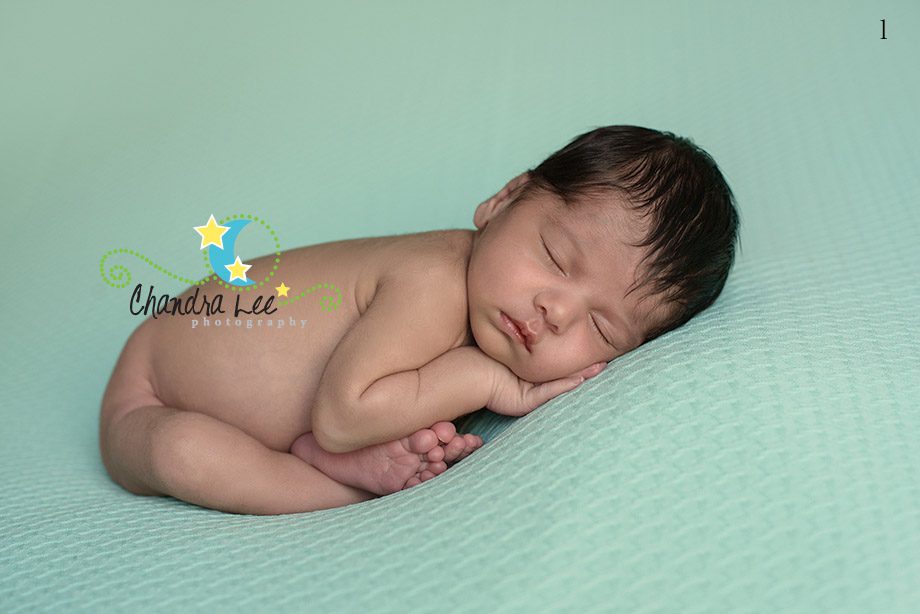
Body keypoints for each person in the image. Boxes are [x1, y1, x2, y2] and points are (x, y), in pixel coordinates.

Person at [99, 125, 740, 515]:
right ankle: (346, 486)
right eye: (555, 256)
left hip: (228, 409)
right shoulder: (435, 279)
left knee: (196, 451)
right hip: (147, 393)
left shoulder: (481, 313)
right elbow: (345, 414)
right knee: (180, 452)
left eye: (601, 329)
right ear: (504, 200)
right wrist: (488, 384)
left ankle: (326, 465)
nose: (556, 311)